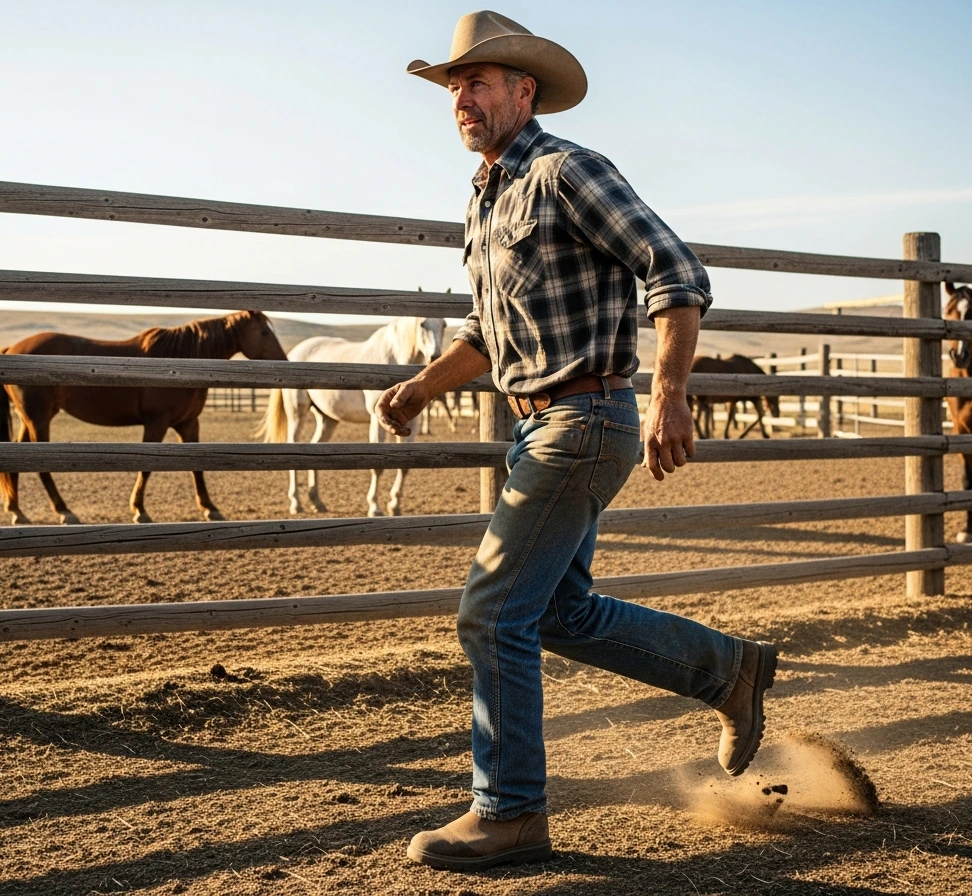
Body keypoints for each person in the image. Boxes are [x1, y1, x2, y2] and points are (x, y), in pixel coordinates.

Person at [375, 11, 778, 872]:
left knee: (490, 612)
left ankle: (511, 811)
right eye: (454, 88)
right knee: (556, 612)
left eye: (479, 83)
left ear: (526, 91)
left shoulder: (568, 171)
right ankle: (730, 672)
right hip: (538, 427)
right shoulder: (486, 200)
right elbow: (486, 335)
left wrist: (671, 391)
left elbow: (675, 269)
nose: (462, 100)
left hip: (586, 419)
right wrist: (417, 389)